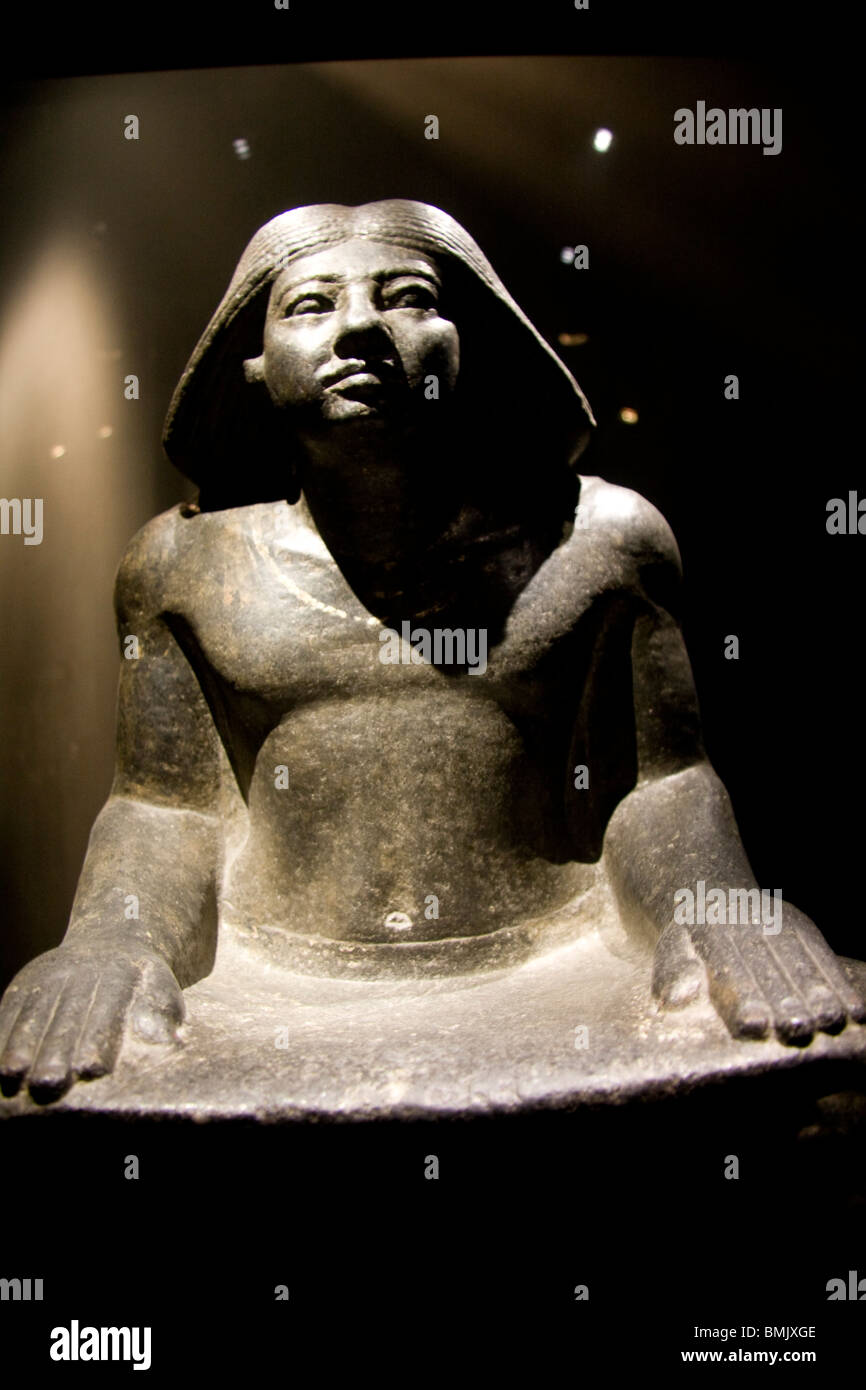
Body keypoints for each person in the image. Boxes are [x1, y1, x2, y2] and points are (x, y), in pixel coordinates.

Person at [1, 199, 861, 1101]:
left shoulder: (599, 544)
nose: (362, 326)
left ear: (470, 340)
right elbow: (163, 808)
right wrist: (114, 941)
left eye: (408, 296)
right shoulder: (181, 569)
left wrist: (716, 905)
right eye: (309, 305)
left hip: (560, 965)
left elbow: (659, 782)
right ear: (252, 368)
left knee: (810, 1073)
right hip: (275, 986)